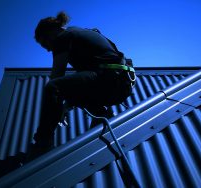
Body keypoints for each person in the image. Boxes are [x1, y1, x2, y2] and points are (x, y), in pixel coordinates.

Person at [29, 11, 135, 159]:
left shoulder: (63, 37)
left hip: (110, 79)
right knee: (72, 88)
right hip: (121, 83)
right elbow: (79, 85)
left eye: (45, 42)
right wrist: (66, 104)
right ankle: (101, 114)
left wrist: (56, 107)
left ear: (51, 31)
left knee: (53, 87)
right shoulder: (81, 31)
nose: (47, 49)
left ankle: (42, 143)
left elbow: (56, 76)